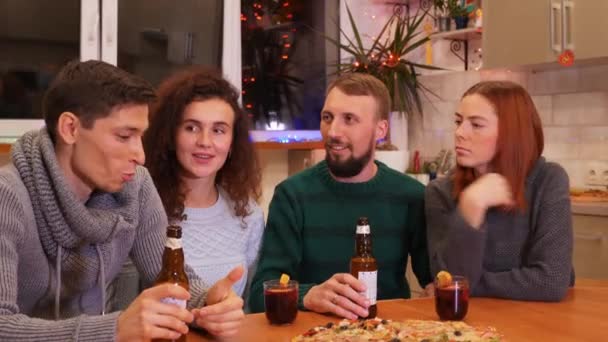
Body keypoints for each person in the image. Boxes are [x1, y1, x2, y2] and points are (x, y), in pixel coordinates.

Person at [0, 60, 244, 341]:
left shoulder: (136, 186)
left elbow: (166, 277)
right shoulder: (7, 197)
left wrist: (206, 304)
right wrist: (112, 330)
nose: (140, 156)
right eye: (124, 136)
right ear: (70, 129)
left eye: (140, 137)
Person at [249, 73, 433, 319]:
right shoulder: (292, 196)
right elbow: (261, 294)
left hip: (389, 332)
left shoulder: (411, 196)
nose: (333, 131)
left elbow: (436, 282)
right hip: (311, 335)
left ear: (380, 130)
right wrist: (308, 295)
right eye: (328, 118)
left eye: (349, 119)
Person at [425, 80, 574, 301]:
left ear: (511, 132)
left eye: (476, 125)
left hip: (541, 321)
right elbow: (449, 284)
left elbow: (551, 281)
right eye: (458, 121)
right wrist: (470, 208)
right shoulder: (440, 191)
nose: (459, 132)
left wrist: (472, 285)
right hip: (472, 326)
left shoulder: (549, 180)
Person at [144, 67, 264, 300]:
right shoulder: (143, 207)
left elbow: (250, 307)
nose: (205, 142)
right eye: (192, 128)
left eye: (219, 130)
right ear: (170, 135)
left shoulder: (249, 215)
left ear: (232, 143)